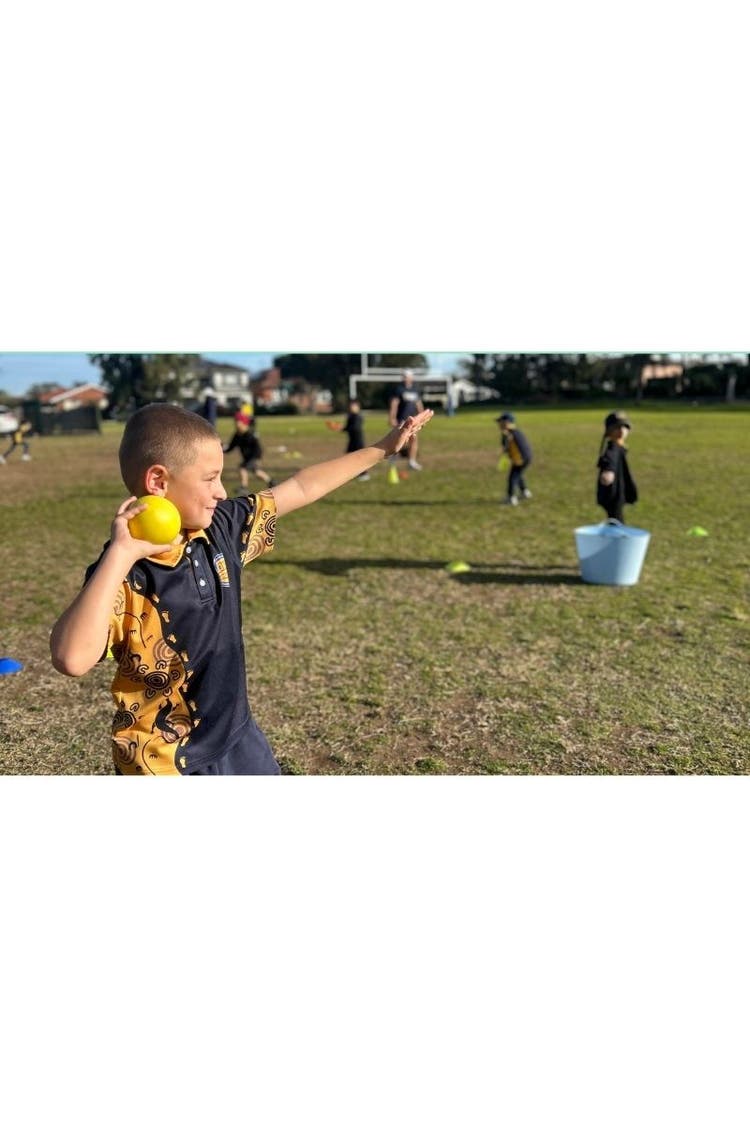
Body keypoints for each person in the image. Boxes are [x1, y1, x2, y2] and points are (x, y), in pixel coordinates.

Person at [49, 401, 433, 776]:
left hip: (237, 737)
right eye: (210, 478)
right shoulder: (124, 574)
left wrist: (381, 449)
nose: (221, 491)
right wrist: (119, 555)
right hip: (163, 762)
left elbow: (300, 486)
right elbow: (72, 659)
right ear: (159, 482)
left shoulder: (221, 529)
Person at [597, 410, 637, 522]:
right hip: (613, 493)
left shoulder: (620, 447)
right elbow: (610, 459)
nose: (621, 431)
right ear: (609, 431)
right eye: (617, 428)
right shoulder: (613, 448)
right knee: (616, 519)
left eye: (624, 428)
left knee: (616, 518)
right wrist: (608, 472)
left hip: (619, 489)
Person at [224, 416, 275, 492]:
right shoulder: (237, 435)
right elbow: (231, 447)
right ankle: (271, 482)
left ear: (244, 423)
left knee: (242, 468)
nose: (236, 424)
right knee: (256, 472)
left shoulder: (250, 434)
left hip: (253, 457)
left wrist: (257, 459)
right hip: (247, 458)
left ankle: (244, 487)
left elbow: (258, 448)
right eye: (235, 422)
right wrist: (223, 450)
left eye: (238, 422)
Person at [388, 370, 425, 470]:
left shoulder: (415, 390)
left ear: (411, 378)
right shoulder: (399, 389)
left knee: (414, 440)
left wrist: (422, 417)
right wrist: (392, 418)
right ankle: (393, 457)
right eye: (404, 376)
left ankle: (411, 461)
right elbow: (394, 404)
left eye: (407, 376)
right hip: (402, 419)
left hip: (413, 420)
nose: (406, 378)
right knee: (400, 440)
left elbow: (418, 404)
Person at [496, 412, 532, 506]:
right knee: (518, 474)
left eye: (501, 422)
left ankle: (511, 498)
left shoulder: (508, 433)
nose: (499, 424)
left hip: (520, 459)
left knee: (512, 478)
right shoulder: (515, 430)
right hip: (527, 457)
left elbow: (506, 447)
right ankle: (525, 492)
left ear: (507, 423)